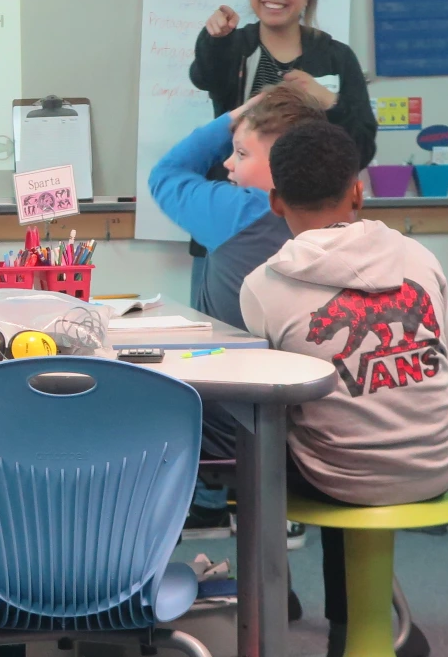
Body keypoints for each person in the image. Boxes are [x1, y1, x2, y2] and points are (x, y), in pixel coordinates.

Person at [241, 120, 448, 657]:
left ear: (274, 202)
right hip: (438, 464)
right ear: (358, 189)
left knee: (256, 445)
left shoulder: (262, 287)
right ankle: (362, 628)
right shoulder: (421, 259)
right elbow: (443, 362)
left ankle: (261, 616)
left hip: (342, 479)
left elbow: (272, 399)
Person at [149, 82, 323, 557]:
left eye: (241, 153)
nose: (228, 163)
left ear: (283, 162)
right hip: (324, 422)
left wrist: (236, 112)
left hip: (235, 424)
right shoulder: (337, 218)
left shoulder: (236, 211)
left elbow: (166, 172)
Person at [184, 0, 377, 310]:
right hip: (233, 223)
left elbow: (363, 146)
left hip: (316, 227)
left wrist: (329, 103)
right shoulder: (233, 46)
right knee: (221, 342)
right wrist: (215, 39)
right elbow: (204, 76)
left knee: (312, 335)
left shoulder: (335, 57)